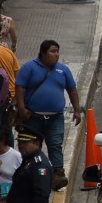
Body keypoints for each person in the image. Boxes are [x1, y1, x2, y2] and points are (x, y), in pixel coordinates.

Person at [15, 40, 82, 191]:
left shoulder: (63, 70)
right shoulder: (29, 67)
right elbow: (20, 86)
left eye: (57, 51)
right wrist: (21, 107)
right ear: (43, 53)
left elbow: (72, 90)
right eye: (52, 51)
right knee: (29, 146)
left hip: (55, 117)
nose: (56, 54)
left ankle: (58, 175)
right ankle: (28, 173)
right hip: (32, 117)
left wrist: (77, 111)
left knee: (55, 145)